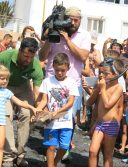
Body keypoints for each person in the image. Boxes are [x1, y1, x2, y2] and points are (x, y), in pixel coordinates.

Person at [39, 6, 90, 158]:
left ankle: (64, 145)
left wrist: (67, 40)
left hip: (73, 82)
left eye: (76, 20)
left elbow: (82, 56)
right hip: (51, 80)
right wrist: (50, 38)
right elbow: (41, 57)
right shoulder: (55, 31)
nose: (73, 22)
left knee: (70, 115)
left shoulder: (85, 35)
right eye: (71, 19)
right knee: (51, 112)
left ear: (80, 21)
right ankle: (51, 145)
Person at [0, 37, 43, 167]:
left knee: (27, 115)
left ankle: (20, 155)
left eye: (31, 57)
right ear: (20, 50)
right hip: (6, 86)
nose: (28, 60)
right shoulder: (3, 57)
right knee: (6, 116)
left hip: (24, 87)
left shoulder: (36, 65)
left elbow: (37, 91)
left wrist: (36, 109)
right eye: (26, 56)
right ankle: (8, 155)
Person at [36, 53, 79, 167]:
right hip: (51, 122)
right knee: (51, 147)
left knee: (64, 147)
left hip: (66, 121)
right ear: (53, 67)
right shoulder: (47, 81)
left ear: (68, 68)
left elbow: (70, 102)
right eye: (57, 70)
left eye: (62, 70)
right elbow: (44, 100)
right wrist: (37, 110)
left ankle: (54, 163)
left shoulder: (72, 82)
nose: (59, 73)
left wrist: (57, 112)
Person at [82, 58, 124, 167]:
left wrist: (103, 89)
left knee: (107, 154)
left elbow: (107, 104)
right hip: (100, 123)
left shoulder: (118, 88)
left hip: (111, 124)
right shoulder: (102, 86)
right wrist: (95, 90)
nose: (101, 76)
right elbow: (90, 102)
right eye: (100, 73)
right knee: (93, 150)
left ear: (115, 74)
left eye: (105, 73)